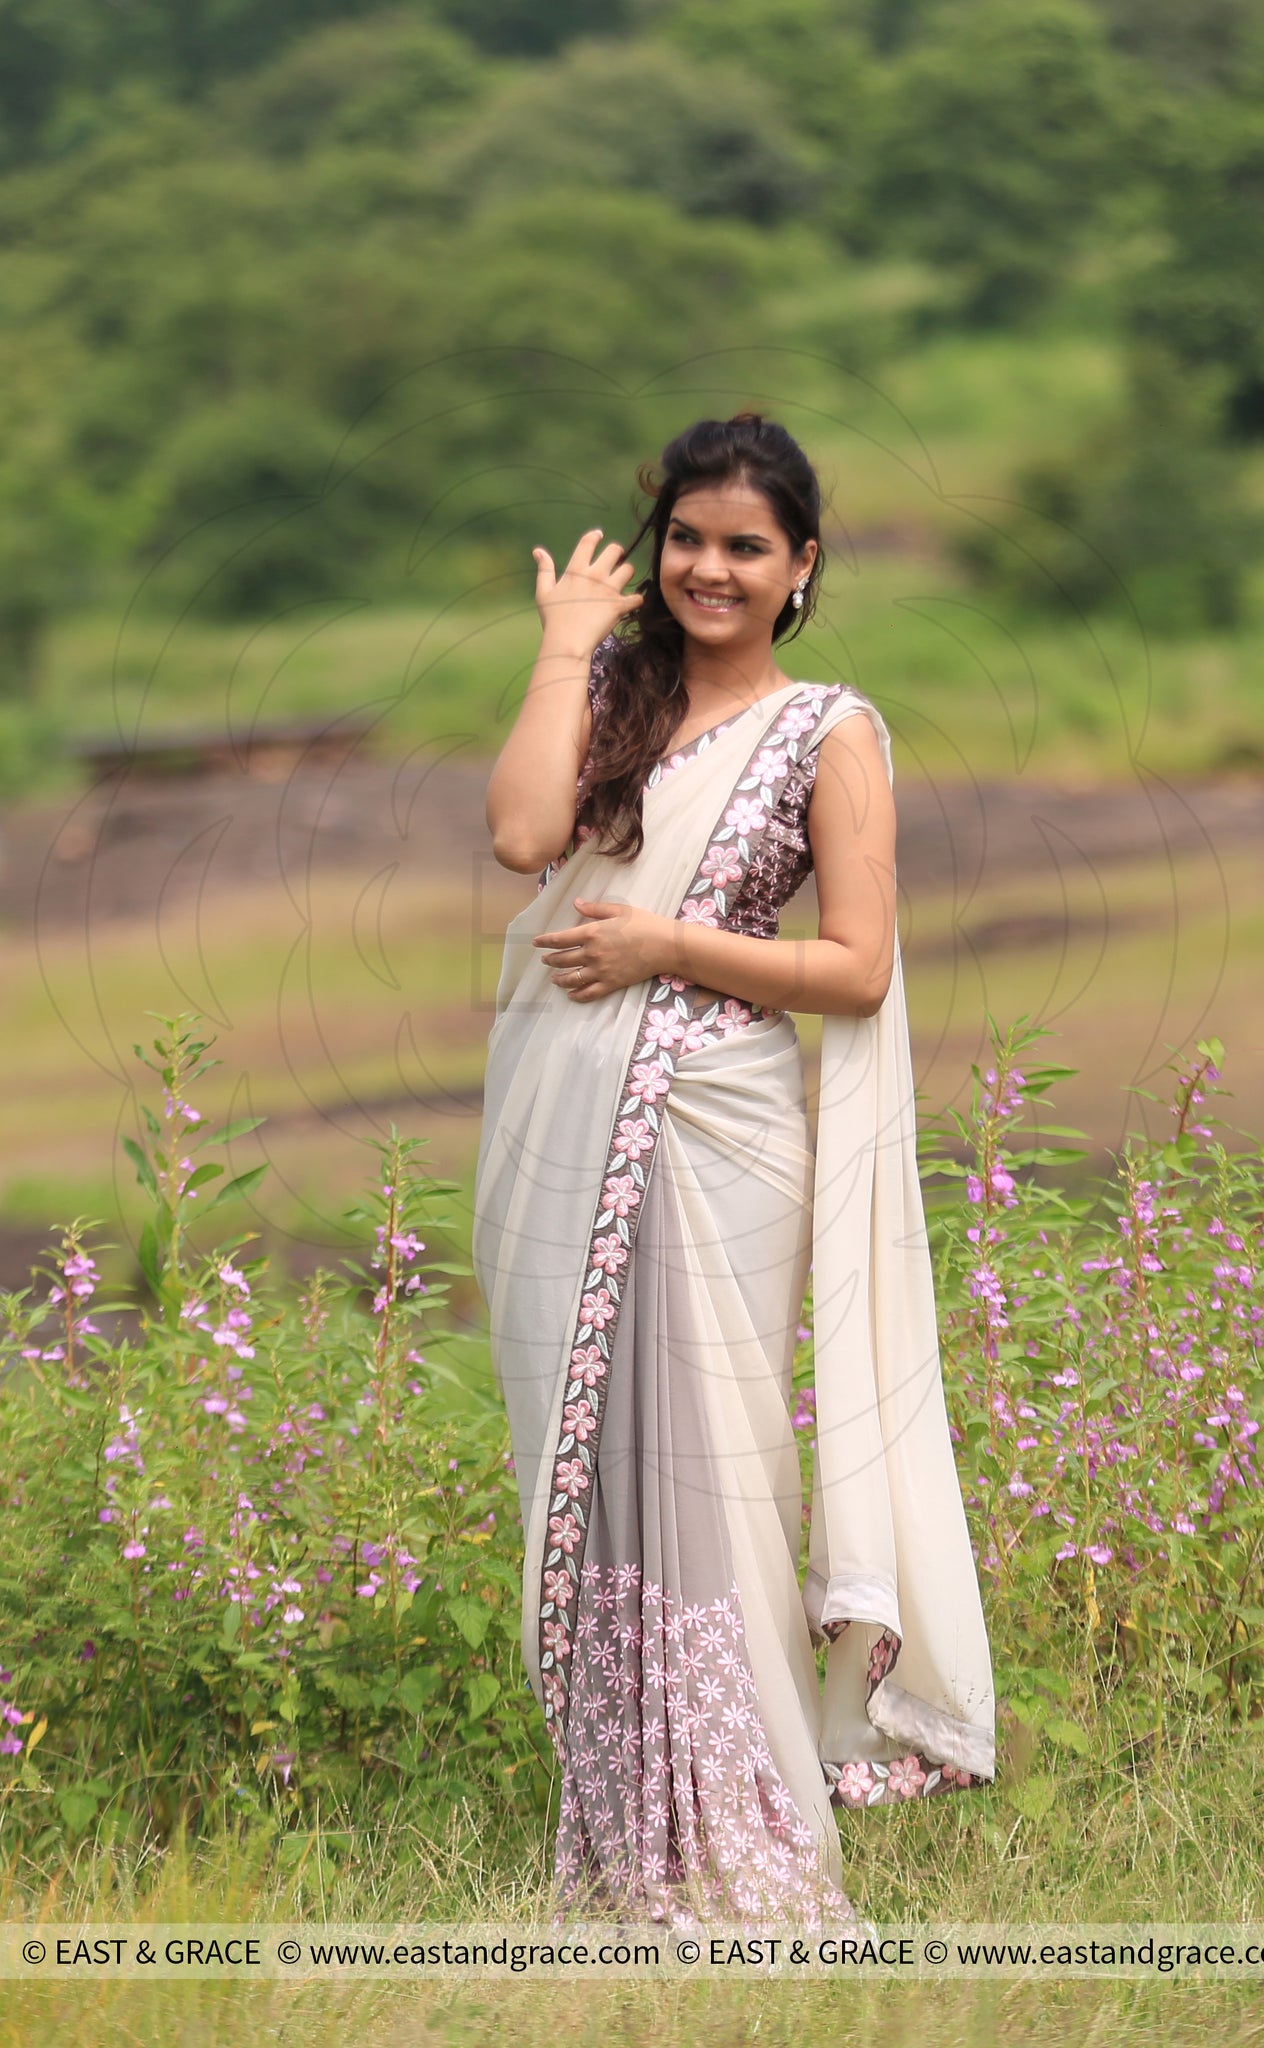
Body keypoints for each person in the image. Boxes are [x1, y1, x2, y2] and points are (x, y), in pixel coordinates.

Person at [472, 413, 995, 1930]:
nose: (710, 567)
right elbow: (519, 836)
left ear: (802, 566)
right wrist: (567, 642)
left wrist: (665, 947)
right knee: (596, 1474)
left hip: (723, 1134)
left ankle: (745, 1838)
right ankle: (634, 1838)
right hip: (565, 1125)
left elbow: (856, 963)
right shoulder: (617, 696)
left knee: (712, 1473)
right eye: (687, 538)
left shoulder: (829, 728)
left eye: (745, 545)